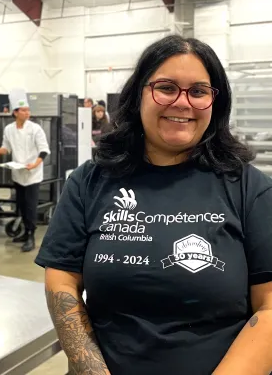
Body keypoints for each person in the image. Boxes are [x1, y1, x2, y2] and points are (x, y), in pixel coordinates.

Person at [35, 34, 272, 375]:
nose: (182, 102)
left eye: (199, 91)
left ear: (214, 103)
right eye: (166, 87)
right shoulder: (91, 181)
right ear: (139, 95)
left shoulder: (249, 188)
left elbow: (268, 309)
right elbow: (62, 280)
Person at [0, 89, 50, 252]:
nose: (27, 113)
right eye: (24, 110)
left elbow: (44, 150)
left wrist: (35, 164)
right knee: (21, 205)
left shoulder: (35, 129)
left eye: (28, 110)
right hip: (18, 173)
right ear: (15, 113)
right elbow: (7, 148)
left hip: (32, 174)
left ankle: (31, 236)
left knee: (31, 206)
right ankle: (25, 232)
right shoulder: (9, 129)